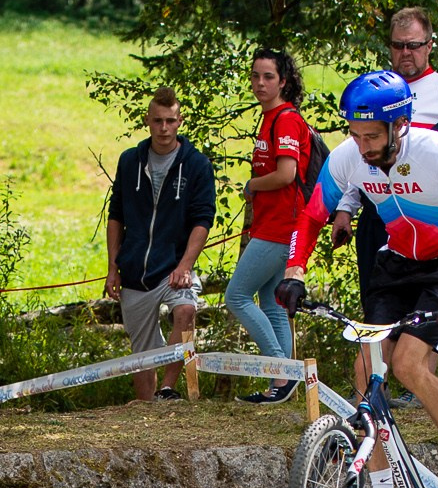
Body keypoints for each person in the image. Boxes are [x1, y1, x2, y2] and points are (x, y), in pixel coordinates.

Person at [276, 70, 438, 488]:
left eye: (371, 136)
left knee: (407, 365)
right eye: (355, 133)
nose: (361, 146)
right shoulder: (350, 157)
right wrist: (293, 271)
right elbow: (311, 215)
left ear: (399, 125)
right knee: (367, 375)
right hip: (397, 263)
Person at [346, 8, 438, 325]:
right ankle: (380, 374)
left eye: (413, 45)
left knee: (427, 321)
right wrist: (346, 208)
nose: (405, 53)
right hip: (381, 216)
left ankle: (415, 370)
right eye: (398, 45)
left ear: (429, 45)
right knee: (378, 316)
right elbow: (354, 153)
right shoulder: (374, 90)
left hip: (433, 217)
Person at [105, 88, 216, 401]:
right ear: (148, 122)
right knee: (141, 354)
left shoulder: (196, 165)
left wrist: (185, 265)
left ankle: (168, 387)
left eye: (170, 121)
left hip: (173, 266)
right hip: (135, 270)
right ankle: (147, 410)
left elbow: (202, 220)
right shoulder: (129, 161)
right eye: (158, 121)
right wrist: (113, 266)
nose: (164, 128)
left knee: (185, 310)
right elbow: (116, 217)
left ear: (180, 121)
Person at [228, 49, 311, 405]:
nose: (260, 84)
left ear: (284, 81)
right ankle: (282, 385)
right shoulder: (270, 118)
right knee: (273, 304)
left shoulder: (286, 119)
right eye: (256, 76)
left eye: (268, 77)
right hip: (273, 225)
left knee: (236, 296)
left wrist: (252, 185)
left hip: (281, 228)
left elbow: (286, 174)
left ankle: (280, 370)